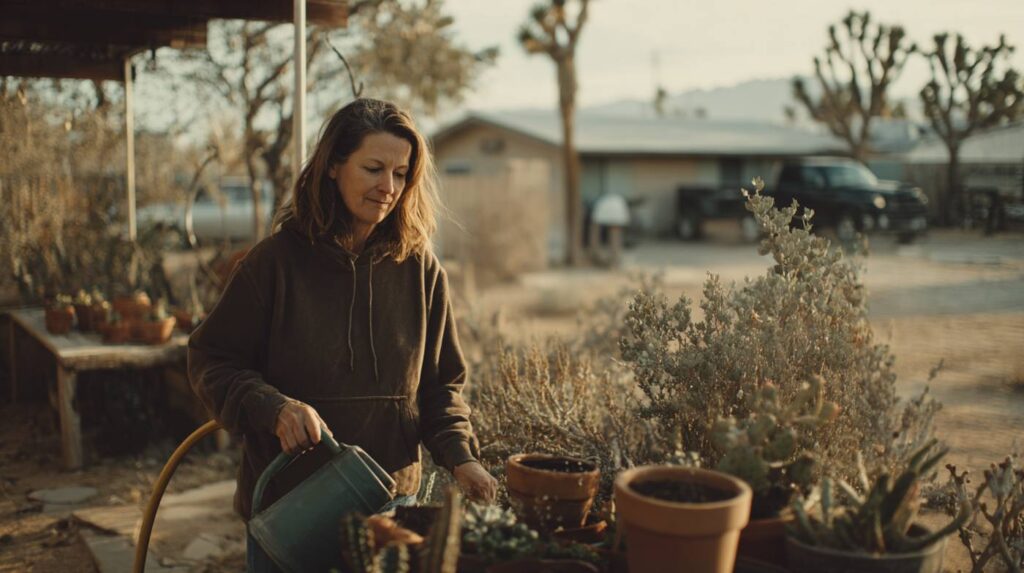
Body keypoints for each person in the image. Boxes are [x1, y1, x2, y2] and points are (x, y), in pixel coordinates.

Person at [187, 98, 498, 572]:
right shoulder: (274, 264)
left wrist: (461, 458)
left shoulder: (421, 270)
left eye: (400, 174)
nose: (388, 187)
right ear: (333, 165)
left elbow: (441, 388)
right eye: (373, 169)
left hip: (388, 509)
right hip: (289, 511)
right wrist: (275, 408)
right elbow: (211, 360)